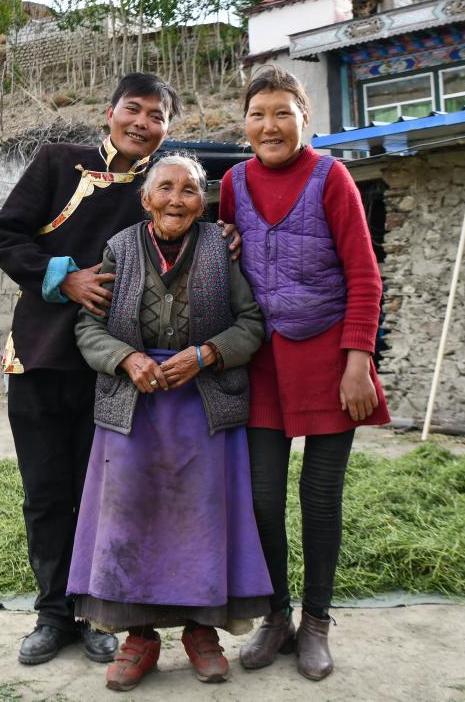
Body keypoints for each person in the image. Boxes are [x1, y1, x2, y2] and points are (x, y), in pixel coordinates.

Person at [0, 73, 205, 666]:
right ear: (110, 113)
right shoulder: (58, 163)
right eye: (133, 109)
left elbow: (205, 213)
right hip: (38, 357)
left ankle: (93, 613)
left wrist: (228, 233)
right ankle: (51, 613)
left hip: (111, 369)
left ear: (167, 129)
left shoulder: (163, 189)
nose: (142, 123)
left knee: (104, 494)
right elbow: (6, 238)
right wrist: (64, 278)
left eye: (156, 116)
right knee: (45, 492)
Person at [70, 155, 271, 692]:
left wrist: (207, 354)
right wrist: (126, 359)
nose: (176, 200)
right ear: (145, 198)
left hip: (203, 404)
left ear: (203, 203)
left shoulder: (220, 249)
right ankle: (139, 638)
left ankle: (201, 632)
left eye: (189, 190)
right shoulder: (119, 248)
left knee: (200, 520)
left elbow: (251, 323)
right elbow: (88, 328)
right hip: (132, 405)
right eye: (165, 188)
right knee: (131, 518)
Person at [218, 65, 391, 681]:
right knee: (262, 498)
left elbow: (365, 276)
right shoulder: (233, 183)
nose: (270, 126)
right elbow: (226, 260)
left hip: (328, 359)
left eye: (282, 114)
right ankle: (277, 616)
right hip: (261, 362)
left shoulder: (331, 177)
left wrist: (358, 362)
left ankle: (316, 621)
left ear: (304, 119)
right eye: (258, 114)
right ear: (244, 123)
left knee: (319, 496)